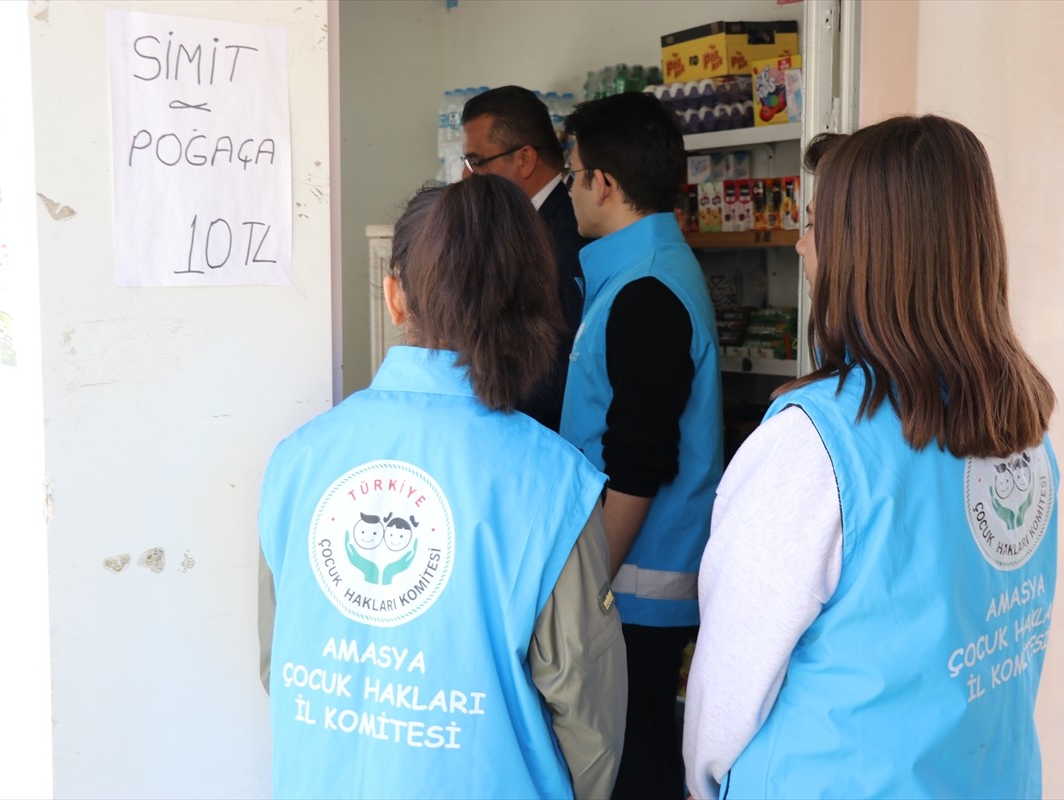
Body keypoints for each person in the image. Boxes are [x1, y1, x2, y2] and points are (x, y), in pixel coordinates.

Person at [682, 115, 1060, 800]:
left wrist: (701, 784)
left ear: (866, 253)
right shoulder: (1020, 424)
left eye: (816, 225)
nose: (801, 246)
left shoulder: (811, 445)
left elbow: (728, 690)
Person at [258, 176, 627, 800]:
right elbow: (588, 722)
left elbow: (279, 663)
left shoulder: (299, 460)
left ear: (394, 298)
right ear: (535, 305)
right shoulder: (552, 482)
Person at [560, 92, 724, 800]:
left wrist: (583, 586)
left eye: (570, 175)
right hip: (634, 589)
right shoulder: (646, 269)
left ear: (603, 182)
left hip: (630, 594)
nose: (568, 192)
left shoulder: (646, 289)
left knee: (634, 771)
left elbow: (638, 463)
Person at [461, 85, 591, 431]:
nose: (465, 177)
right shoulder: (520, 224)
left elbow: (560, 362)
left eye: (476, 162)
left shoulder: (565, 232)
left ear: (524, 159)